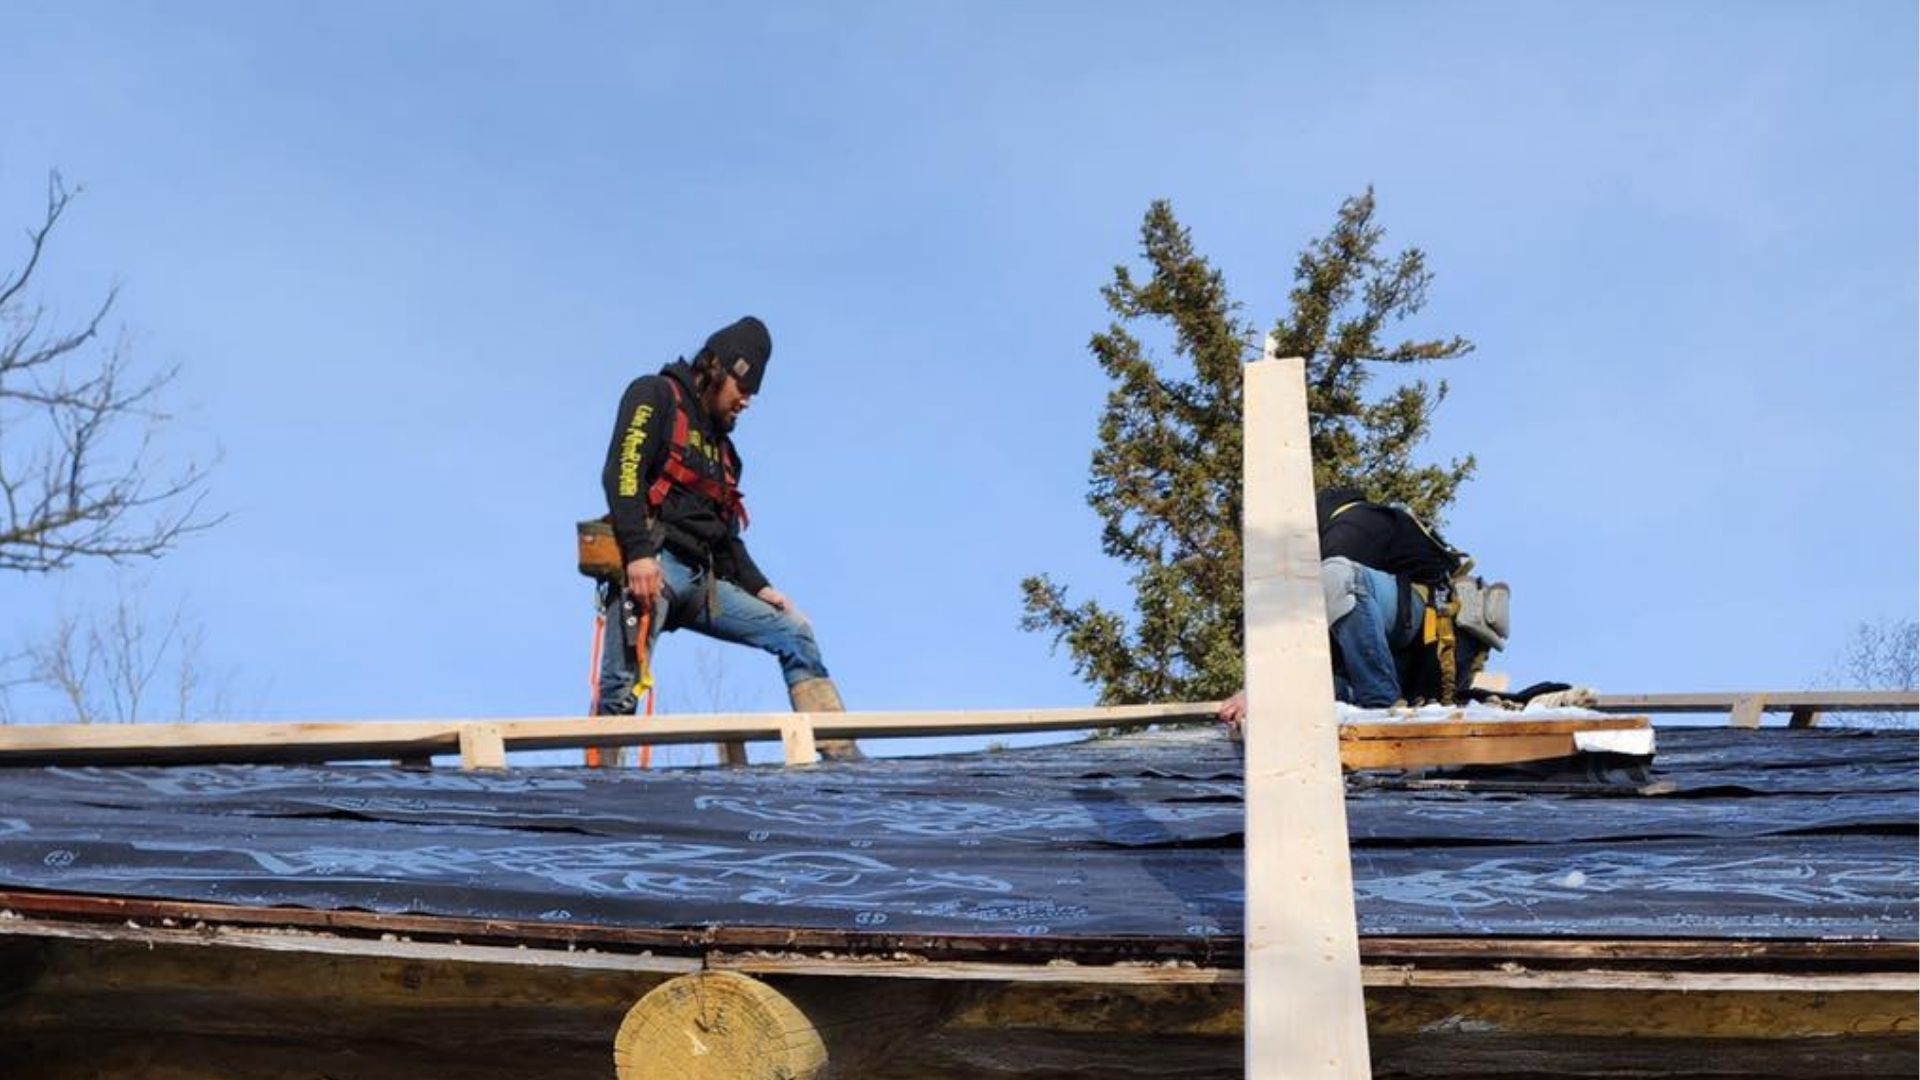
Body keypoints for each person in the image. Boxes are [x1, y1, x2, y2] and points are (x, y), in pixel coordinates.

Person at [597, 315, 861, 761]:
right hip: (653, 568)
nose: (747, 402)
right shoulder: (655, 396)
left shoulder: (726, 455)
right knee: (621, 686)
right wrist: (639, 556)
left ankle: (842, 759)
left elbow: (725, 538)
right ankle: (603, 782)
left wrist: (762, 588)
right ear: (717, 370)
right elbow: (622, 473)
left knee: (795, 632)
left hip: (705, 584)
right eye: (743, 390)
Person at [1217, 487, 1506, 727]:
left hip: (1429, 643)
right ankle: (1372, 698)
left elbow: (1312, 625)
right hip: (1408, 665)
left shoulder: (1355, 523)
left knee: (1335, 576)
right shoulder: (1348, 530)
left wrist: (1264, 684)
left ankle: (1379, 704)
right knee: (1299, 692)